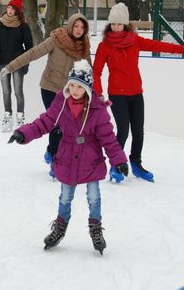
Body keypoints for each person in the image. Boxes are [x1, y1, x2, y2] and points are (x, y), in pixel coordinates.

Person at [8, 60, 128, 254]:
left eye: (79, 86)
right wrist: (24, 133)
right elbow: (44, 122)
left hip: (91, 159)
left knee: (94, 197)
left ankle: (95, 229)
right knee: (65, 198)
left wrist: (119, 160)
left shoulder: (97, 109)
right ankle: (60, 227)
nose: (74, 89)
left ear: (87, 87)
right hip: (67, 155)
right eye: (71, 84)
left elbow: (108, 138)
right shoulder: (61, 102)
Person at [93, 3, 184, 183]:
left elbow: (159, 46)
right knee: (123, 130)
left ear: (126, 24)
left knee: (138, 131)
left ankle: (136, 163)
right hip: (117, 95)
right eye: (113, 24)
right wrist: (99, 93)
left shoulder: (135, 41)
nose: (115, 27)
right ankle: (116, 164)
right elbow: (96, 71)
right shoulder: (105, 46)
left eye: (119, 24)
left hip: (136, 93)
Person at [1, 13, 91, 178]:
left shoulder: (83, 48)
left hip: (68, 92)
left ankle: (51, 152)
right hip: (49, 88)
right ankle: (56, 160)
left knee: (63, 127)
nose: (79, 30)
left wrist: (96, 96)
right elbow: (33, 53)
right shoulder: (57, 39)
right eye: (76, 26)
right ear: (70, 26)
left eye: (82, 27)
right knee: (58, 125)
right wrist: (11, 67)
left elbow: (88, 72)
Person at [0, 0, 33, 132]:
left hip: (18, 64)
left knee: (18, 91)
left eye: (12, 8)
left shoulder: (23, 26)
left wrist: (25, 63)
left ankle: (20, 118)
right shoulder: (0, 25)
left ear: (17, 11)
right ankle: (7, 117)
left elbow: (30, 46)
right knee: (6, 91)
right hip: (3, 63)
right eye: (8, 7)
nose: (9, 10)